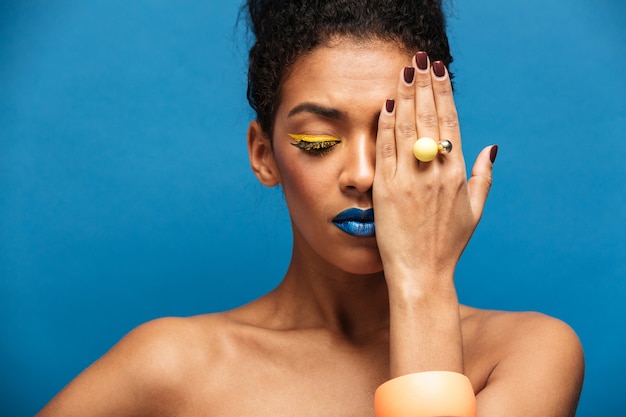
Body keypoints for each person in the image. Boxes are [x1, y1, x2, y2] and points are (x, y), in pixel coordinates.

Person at [36, 0, 584, 415]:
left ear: (445, 142)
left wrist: (423, 280)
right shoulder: (172, 364)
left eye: (399, 136)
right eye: (319, 142)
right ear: (263, 155)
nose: (365, 175)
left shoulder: (527, 354)